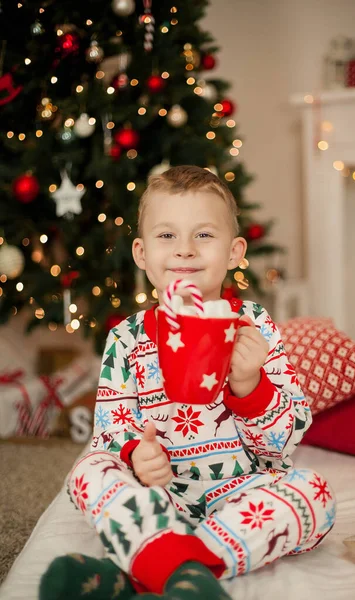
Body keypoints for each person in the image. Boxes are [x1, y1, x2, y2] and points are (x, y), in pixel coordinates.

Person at [40, 166, 336, 600]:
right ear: (141, 253)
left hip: (242, 492)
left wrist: (250, 383)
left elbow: (282, 444)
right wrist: (136, 455)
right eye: (166, 236)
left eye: (203, 235)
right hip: (154, 498)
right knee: (86, 472)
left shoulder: (254, 327)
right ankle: (180, 567)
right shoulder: (127, 337)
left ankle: (159, 571)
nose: (184, 251)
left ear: (235, 251)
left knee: (315, 494)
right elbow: (110, 428)